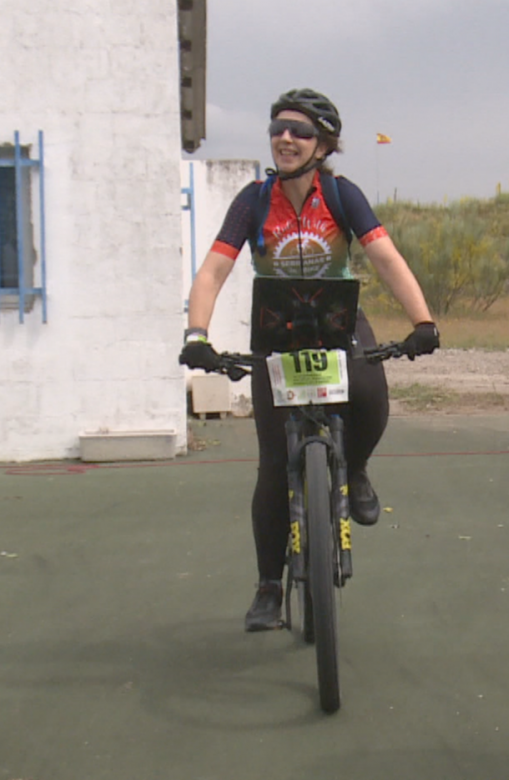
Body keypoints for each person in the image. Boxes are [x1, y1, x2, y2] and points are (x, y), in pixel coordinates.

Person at [179, 88, 440, 632]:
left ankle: (358, 469)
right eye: (277, 129)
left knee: (370, 393)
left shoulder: (342, 196)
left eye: (298, 130)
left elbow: (385, 259)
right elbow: (213, 272)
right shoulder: (253, 201)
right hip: (276, 330)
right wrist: (197, 333)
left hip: (337, 320)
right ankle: (269, 587)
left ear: (323, 144)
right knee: (274, 467)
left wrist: (423, 323)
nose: (285, 139)